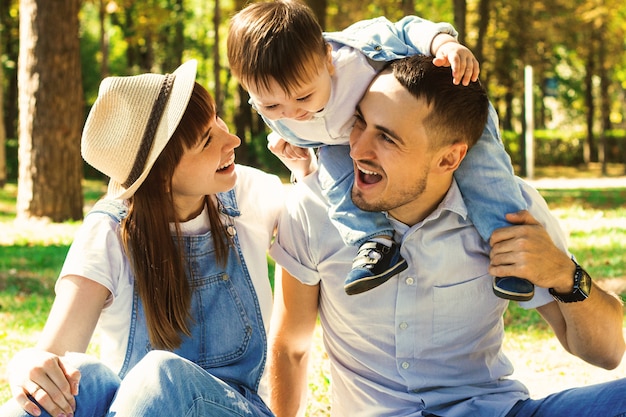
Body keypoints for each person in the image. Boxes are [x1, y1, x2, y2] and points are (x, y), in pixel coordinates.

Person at [267, 55, 626, 417]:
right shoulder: (311, 207)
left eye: (387, 138)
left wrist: (565, 274)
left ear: (449, 159)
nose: (358, 150)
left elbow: (607, 353)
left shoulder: (511, 212)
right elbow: (291, 345)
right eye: (359, 122)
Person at [0, 60, 294, 417]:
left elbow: (324, 235)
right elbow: (54, 355)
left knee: (161, 375)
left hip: (236, 409)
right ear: (161, 174)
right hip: (142, 407)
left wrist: (309, 167)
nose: (232, 140)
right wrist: (27, 366)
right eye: (207, 140)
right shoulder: (111, 230)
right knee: (79, 379)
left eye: (217, 119)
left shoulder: (251, 194)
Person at [227, 0, 533, 300]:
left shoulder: (357, 56)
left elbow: (405, 29)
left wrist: (443, 45)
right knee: (337, 186)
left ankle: (510, 244)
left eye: (305, 97)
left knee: (483, 171)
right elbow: (304, 135)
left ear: (327, 59)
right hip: (342, 140)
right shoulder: (276, 107)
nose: (293, 112)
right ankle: (375, 244)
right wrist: (302, 160)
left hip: (434, 110)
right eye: (272, 105)